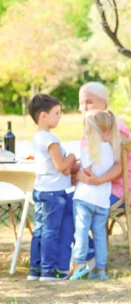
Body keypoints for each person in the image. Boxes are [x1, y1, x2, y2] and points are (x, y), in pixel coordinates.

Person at [27, 94, 76, 281]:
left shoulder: (37, 137)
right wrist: (71, 156)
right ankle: (49, 271)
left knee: (40, 230)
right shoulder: (50, 139)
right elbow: (62, 166)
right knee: (51, 232)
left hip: (41, 190)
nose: (60, 117)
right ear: (43, 116)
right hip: (54, 193)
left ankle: (35, 269)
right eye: (56, 113)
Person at [69, 110, 121, 281]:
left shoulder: (89, 148)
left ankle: (78, 264)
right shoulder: (113, 149)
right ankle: (101, 270)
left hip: (84, 197)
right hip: (103, 200)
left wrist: (76, 176)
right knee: (100, 234)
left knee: (81, 230)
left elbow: (86, 173)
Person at [77, 82, 129, 206]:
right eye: (81, 103)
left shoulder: (112, 126)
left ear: (104, 103)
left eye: (89, 102)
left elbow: (120, 165)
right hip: (98, 186)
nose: (84, 108)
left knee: (70, 205)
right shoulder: (92, 125)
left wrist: (97, 180)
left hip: (118, 189)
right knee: (61, 202)